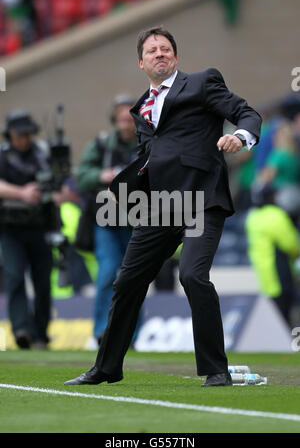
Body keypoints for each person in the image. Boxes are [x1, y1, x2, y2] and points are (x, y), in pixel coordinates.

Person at [65, 26, 262, 387]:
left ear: (175, 56)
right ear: (141, 62)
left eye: (166, 48)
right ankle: (107, 367)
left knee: (191, 275)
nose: (160, 53)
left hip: (202, 198)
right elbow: (150, 155)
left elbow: (246, 112)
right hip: (160, 205)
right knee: (126, 282)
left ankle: (216, 370)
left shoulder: (202, 83)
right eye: (152, 50)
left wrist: (239, 135)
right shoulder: (140, 107)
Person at [75, 95, 138, 346]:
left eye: (130, 117)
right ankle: (102, 330)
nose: (126, 122)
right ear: (115, 120)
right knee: (107, 273)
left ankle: (131, 335)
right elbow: (82, 177)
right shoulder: (101, 145)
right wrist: (105, 175)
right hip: (106, 221)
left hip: (136, 221)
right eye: (121, 118)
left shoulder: (148, 143)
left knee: (134, 278)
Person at [0, 110, 60, 349]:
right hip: (10, 228)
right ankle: (21, 329)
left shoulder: (43, 155)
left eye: (27, 134)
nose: (24, 139)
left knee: (43, 281)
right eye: (19, 134)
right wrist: (23, 193)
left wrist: (48, 192)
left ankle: (41, 334)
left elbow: (61, 184)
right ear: (10, 134)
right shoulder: (2, 157)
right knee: (14, 276)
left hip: (40, 227)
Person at [245, 184, 300, 327]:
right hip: (280, 273)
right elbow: (292, 245)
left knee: (274, 318)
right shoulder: (275, 215)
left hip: (264, 275)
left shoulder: (253, 217)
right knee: (285, 317)